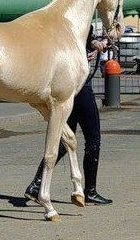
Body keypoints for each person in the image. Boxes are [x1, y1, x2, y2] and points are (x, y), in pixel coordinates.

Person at [24, 25, 112, 205]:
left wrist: (92, 46)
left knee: (64, 139)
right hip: (78, 86)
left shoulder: (63, 23)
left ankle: (36, 185)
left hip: (67, 88)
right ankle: (90, 191)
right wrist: (93, 44)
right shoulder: (80, 21)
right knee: (93, 138)